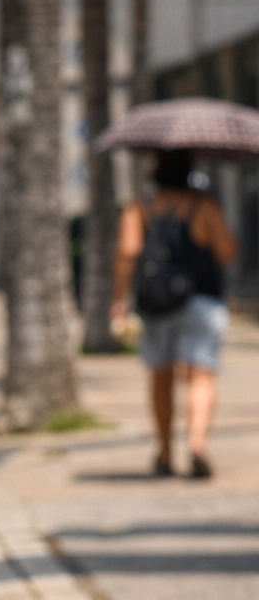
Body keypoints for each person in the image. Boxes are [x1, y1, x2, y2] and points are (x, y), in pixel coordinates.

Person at [111, 149, 235, 479]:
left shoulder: (139, 208)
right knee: (201, 375)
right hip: (202, 301)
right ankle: (196, 444)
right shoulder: (204, 206)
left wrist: (119, 299)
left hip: (156, 305)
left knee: (161, 378)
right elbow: (226, 250)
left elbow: (127, 252)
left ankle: (165, 452)